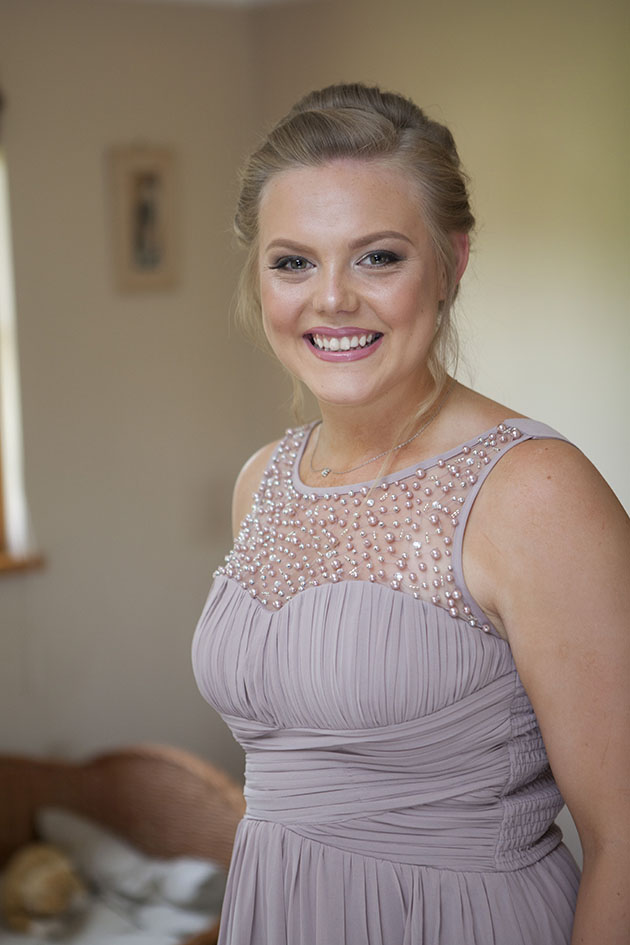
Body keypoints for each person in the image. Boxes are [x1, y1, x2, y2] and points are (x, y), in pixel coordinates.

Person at [192, 83, 629, 945]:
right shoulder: (262, 481)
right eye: (294, 262)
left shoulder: (535, 491)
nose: (332, 299)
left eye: (378, 257)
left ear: (452, 262)